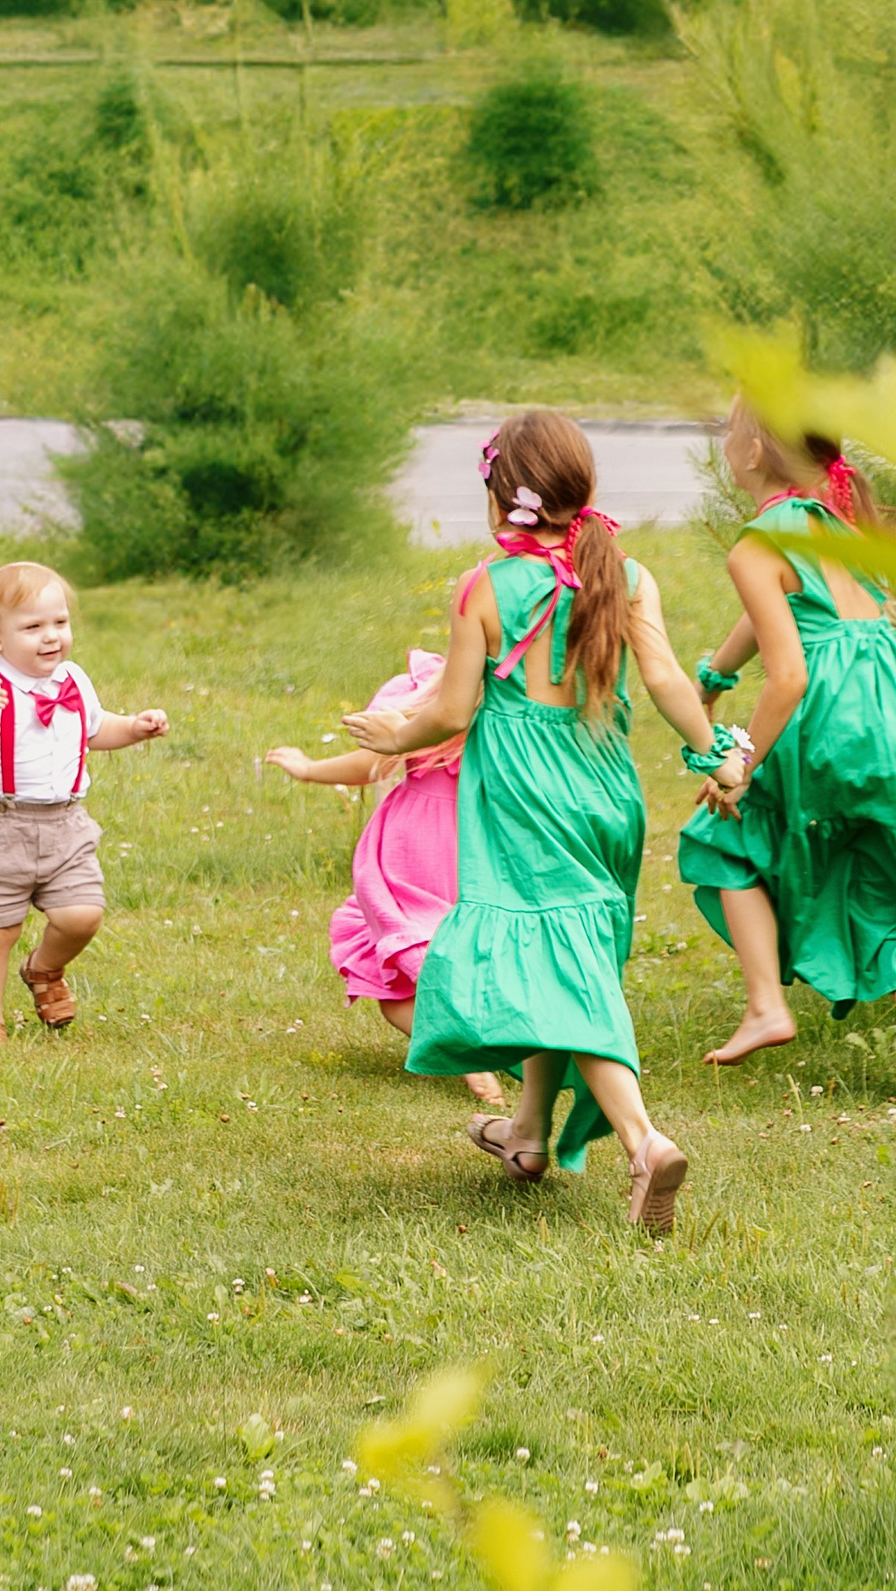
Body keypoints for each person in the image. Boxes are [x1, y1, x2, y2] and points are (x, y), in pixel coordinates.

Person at [346, 409, 749, 1235]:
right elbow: (666, 678)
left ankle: (643, 1142)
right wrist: (715, 755)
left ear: (501, 497)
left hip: (522, 794)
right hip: (605, 789)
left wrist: (394, 734)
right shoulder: (626, 573)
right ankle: (527, 1133)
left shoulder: (484, 586)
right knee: (560, 954)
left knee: (556, 962)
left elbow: (452, 709)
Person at [681, 402, 896, 1111]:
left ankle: (766, 1006)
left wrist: (741, 762)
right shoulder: (840, 523)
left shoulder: (758, 543)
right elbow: (773, 613)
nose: (725, 443)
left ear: (755, 450)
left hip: (825, 706)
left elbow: (788, 675)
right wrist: (715, 676)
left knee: (723, 835)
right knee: (880, 878)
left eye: (730, 431)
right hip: (891, 705)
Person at [266, 651, 506, 1106]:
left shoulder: (425, 688)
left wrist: (310, 769)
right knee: (473, 951)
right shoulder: (519, 698)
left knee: (394, 980)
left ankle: (466, 1052)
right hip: (484, 844)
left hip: (415, 843)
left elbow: (371, 764)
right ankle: (505, 1049)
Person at [0, 560, 167, 1046]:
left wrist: (134, 728)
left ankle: (43, 968)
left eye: (60, 622)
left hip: (66, 823)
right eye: (32, 627)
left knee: (82, 914)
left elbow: (95, 728)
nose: (51, 636)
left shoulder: (73, 679)